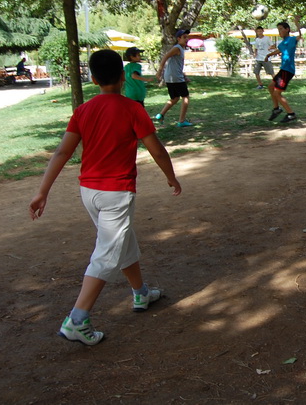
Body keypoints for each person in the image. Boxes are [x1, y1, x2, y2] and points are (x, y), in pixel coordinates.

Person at [28, 49, 182, 346]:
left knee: (123, 241)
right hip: (116, 193)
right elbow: (157, 149)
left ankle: (141, 293)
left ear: (94, 79)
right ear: (123, 77)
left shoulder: (83, 110)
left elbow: (62, 152)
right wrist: (171, 177)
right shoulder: (132, 109)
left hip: (89, 192)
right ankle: (77, 319)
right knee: (106, 254)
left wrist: (42, 191)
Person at [155, 29, 192, 127]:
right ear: (178, 38)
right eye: (184, 37)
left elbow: (176, 65)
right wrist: (159, 71)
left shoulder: (180, 49)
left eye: (187, 37)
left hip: (171, 77)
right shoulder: (177, 48)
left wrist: (184, 76)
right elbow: (165, 57)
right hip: (174, 77)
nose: (186, 39)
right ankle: (181, 121)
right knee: (185, 97)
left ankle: (160, 115)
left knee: (175, 98)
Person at [266, 21, 300, 123]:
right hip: (283, 69)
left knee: (277, 93)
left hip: (288, 70)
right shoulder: (282, 43)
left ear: (287, 29)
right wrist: (268, 55)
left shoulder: (292, 39)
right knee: (271, 86)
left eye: (281, 29)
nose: (279, 31)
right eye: (278, 30)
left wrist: (297, 23)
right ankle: (276, 109)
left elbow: (300, 36)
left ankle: (291, 114)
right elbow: (279, 50)